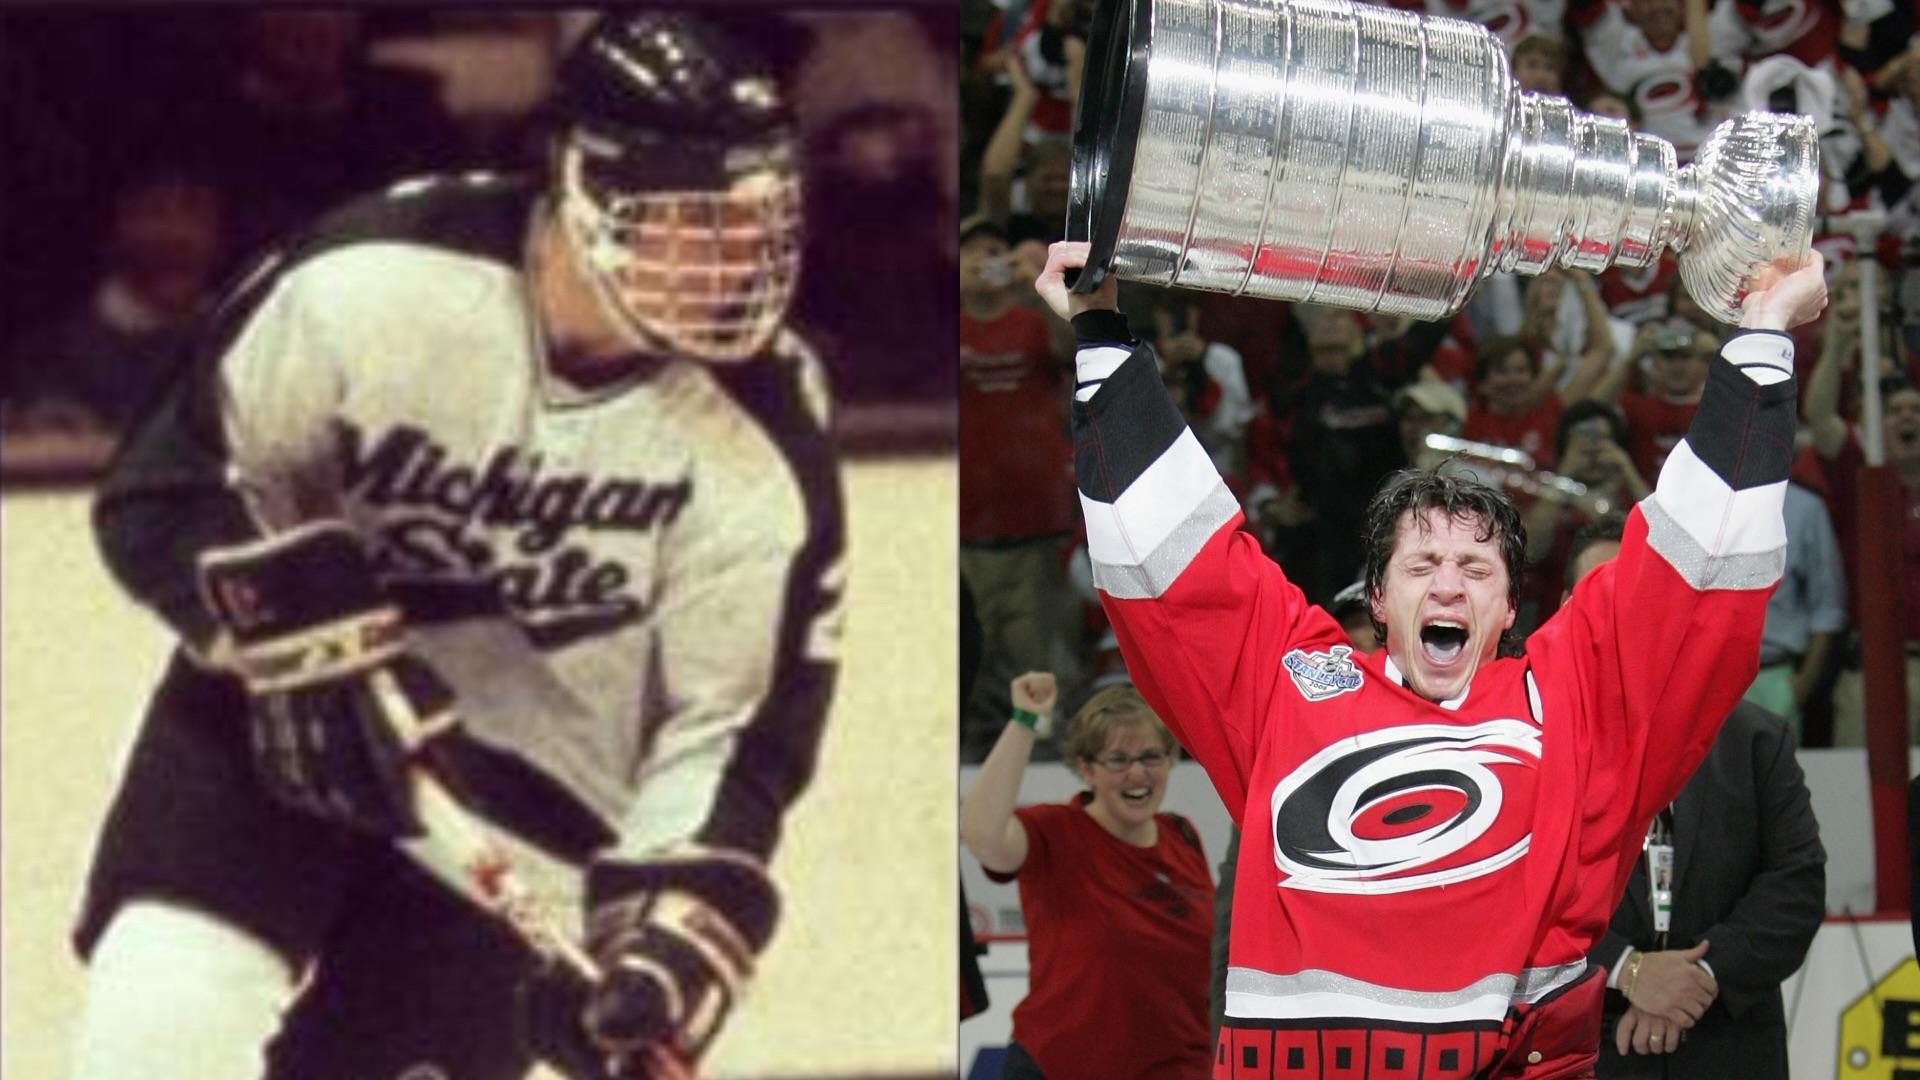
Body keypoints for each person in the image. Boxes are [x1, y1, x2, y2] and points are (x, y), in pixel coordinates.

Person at [68, 14, 843, 1080]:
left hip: (519, 816)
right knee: (159, 1031)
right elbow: (168, 491)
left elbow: (734, 730)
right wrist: (295, 644)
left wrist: (660, 947)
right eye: (694, 221)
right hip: (271, 739)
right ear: (580, 185)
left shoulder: (763, 433)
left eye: (754, 224)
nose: (735, 261)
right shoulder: (369, 281)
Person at [1035, 239, 1826, 1076]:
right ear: (1377, 602)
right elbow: (1177, 569)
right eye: (1421, 565)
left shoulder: (1567, 706)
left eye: (1476, 569)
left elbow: (1693, 579)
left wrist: (1763, 331)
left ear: (1511, 608)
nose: (1447, 586)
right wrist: (1102, 333)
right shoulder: (1296, 689)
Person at [1567, 518, 1825, 1079]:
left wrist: (1698, 980)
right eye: (1608, 592)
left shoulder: (1756, 739)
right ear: (1569, 607)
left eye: (1648, 589)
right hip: (1591, 1049)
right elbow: (1515, 897)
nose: (1631, 610)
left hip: (1730, 1048)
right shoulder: (1532, 745)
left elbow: (1797, 884)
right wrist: (1627, 971)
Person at [959, 674, 1215, 1079]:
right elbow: (981, 834)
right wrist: (1024, 722)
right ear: (1086, 769)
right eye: (1118, 760)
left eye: (1151, 756)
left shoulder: (1182, 836)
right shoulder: (1055, 831)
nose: (1137, 774)